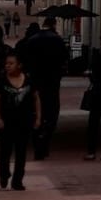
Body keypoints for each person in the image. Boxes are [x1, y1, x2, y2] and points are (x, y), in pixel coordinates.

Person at [23, 18, 68, 159]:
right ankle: (46, 142)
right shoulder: (58, 40)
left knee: (36, 114)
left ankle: (37, 144)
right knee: (52, 114)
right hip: (53, 83)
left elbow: (26, 61)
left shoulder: (32, 40)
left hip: (36, 83)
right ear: (54, 25)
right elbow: (65, 59)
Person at [0, 53, 37, 189]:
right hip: (7, 121)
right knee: (5, 151)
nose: (8, 66)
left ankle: (18, 180)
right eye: (6, 64)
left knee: (21, 151)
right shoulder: (1, 81)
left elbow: (36, 98)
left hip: (24, 121)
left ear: (19, 65)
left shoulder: (28, 80)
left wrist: (38, 117)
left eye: (11, 64)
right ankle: (4, 175)